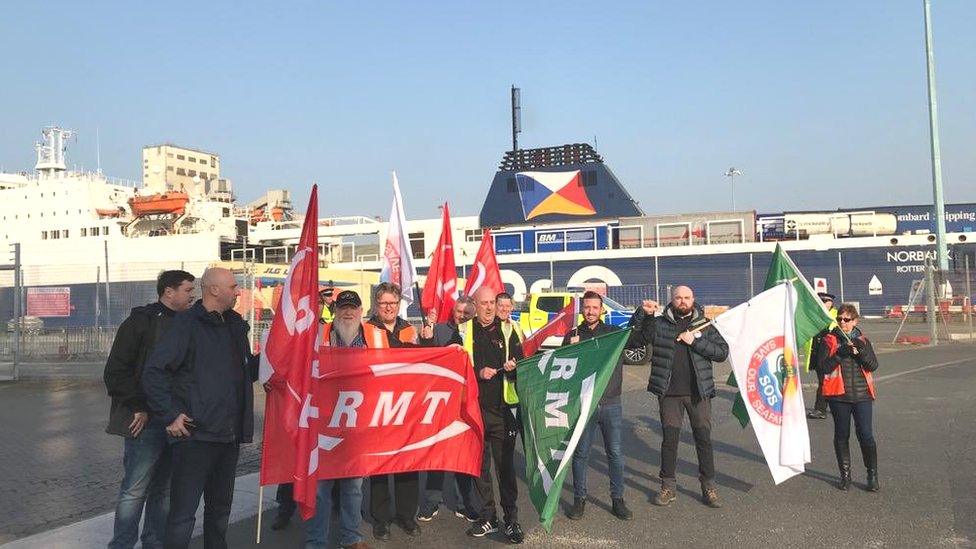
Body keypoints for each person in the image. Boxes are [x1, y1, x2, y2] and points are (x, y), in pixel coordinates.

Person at [142, 267, 259, 549]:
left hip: (228, 437)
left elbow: (244, 374)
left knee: (220, 512)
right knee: (183, 515)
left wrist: (272, 358)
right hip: (195, 437)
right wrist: (169, 415)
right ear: (214, 290)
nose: (238, 291)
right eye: (233, 286)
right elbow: (154, 371)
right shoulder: (186, 325)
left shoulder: (235, 325)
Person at [104, 270, 195, 549]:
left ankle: (153, 544)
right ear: (169, 292)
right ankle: (121, 545)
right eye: (188, 290)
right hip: (146, 422)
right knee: (134, 490)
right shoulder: (140, 322)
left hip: (177, 420)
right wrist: (138, 406)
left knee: (164, 491)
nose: (193, 295)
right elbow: (116, 371)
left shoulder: (190, 324)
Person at [632, 285, 729, 509]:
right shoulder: (659, 324)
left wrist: (694, 341)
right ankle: (668, 486)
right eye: (678, 298)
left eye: (686, 297)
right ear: (672, 300)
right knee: (670, 441)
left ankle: (708, 486)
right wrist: (643, 315)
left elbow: (722, 353)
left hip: (699, 392)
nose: (683, 301)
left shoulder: (704, 324)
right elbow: (636, 341)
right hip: (669, 394)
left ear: (693, 299)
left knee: (703, 440)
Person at [304, 289, 372, 549]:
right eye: (343, 307)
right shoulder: (318, 335)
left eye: (352, 307)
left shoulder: (374, 337)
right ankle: (316, 542)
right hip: (323, 425)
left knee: (353, 489)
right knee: (320, 490)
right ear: (335, 311)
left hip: (357, 427)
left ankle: (351, 538)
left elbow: (398, 366)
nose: (348, 312)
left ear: (360, 311)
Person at [563, 291, 633, 521]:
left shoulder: (612, 333)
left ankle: (617, 499)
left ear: (602, 310)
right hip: (584, 404)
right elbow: (564, 371)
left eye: (595, 307)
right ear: (582, 309)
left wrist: (646, 315)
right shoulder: (572, 334)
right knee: (581, 453)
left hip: (611, 401)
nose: (591, 311)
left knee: (615, 453)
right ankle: (579, 499)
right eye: (587, 307)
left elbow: (638, 337)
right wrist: (570, 349)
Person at [271, 288, 338, 532]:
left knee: (328, 459)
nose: (318, 306)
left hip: (324, 404)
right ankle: (284, 509)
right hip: (298, 403)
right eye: (315, 302)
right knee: (292, 460)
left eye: (321, 303)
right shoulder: (294, 331)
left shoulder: (327, 329)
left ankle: (332, 507)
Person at [461, 287, 524, 544]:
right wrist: (478, 373)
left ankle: (511, 520)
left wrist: (513, 367)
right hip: (475, 410)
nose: (489, 307)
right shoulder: (464, 331)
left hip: (503, 410)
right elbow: (454, 367)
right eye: (483, 303)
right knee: (479, 467)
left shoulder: (510, 329)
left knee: (505, 468)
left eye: (491, 303)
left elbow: (523, 362)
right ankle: (489, 516)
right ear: (474, 305)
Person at [364, 283, 422, 541]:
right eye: (384, 303)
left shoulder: (410, 329)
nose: (389, 307)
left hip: (405, 405)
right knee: (379, 464)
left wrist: (433, 343)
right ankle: (381, 519)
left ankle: (406, 515)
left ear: (399, 305)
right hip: (377, 406)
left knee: (408, 463)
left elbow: (422, 361)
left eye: (393, 303)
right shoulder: (365, 329)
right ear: (377, 305)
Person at [417, 296, 480, 523]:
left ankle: (465, 503)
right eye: (458, 311)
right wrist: (426, 336)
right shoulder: (440, 330)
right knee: (437, 453)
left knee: (463, 454)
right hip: (441, 401)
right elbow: (425, 357)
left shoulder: (476, 332)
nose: (461, 315)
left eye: (466, 313)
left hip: (465, 402)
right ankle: (432, 502)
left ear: (473, 314)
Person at [816, 303, 880, 492]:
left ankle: (872, 475)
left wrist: (860, 352)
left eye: (847, 319)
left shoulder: (863, 340)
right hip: (839, 396)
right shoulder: (829, 340)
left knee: (866, 435)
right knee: (842, 435)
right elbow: (823, 368)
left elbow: (873, 365)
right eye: (840, 319)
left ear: (855, 321)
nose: (843, 323)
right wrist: (840, 354)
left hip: (862, 395)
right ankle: (845, 476)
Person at [806, 292, 838, 420]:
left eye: (826, 302)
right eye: (821, 302)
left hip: (831, 354)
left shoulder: (836, 315)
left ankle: (820, 409)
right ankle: (828, 407)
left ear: (831, 303)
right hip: (817, 353)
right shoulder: (813, 316)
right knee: (825, 381)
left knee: (825, 382)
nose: (824, 304)